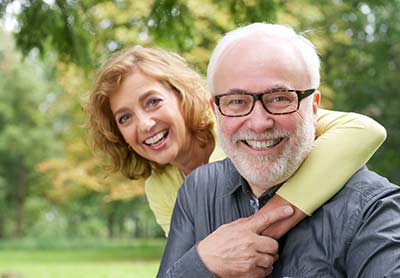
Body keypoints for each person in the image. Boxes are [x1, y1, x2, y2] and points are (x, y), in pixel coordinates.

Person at [157, 23, 400, 277]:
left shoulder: (375, 211)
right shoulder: (199, 188)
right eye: (237, 102)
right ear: (216, 110)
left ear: (314, 106)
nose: (259, 123)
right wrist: (202, 263)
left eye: (280, 98)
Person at [86, 46, 385, 239]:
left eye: (152, 102)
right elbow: (194, 258)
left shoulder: (241, 124)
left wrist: (271, 218)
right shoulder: (161, 187)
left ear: (181, 96)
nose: (144, 124)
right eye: (124, 118)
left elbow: (364, 130)